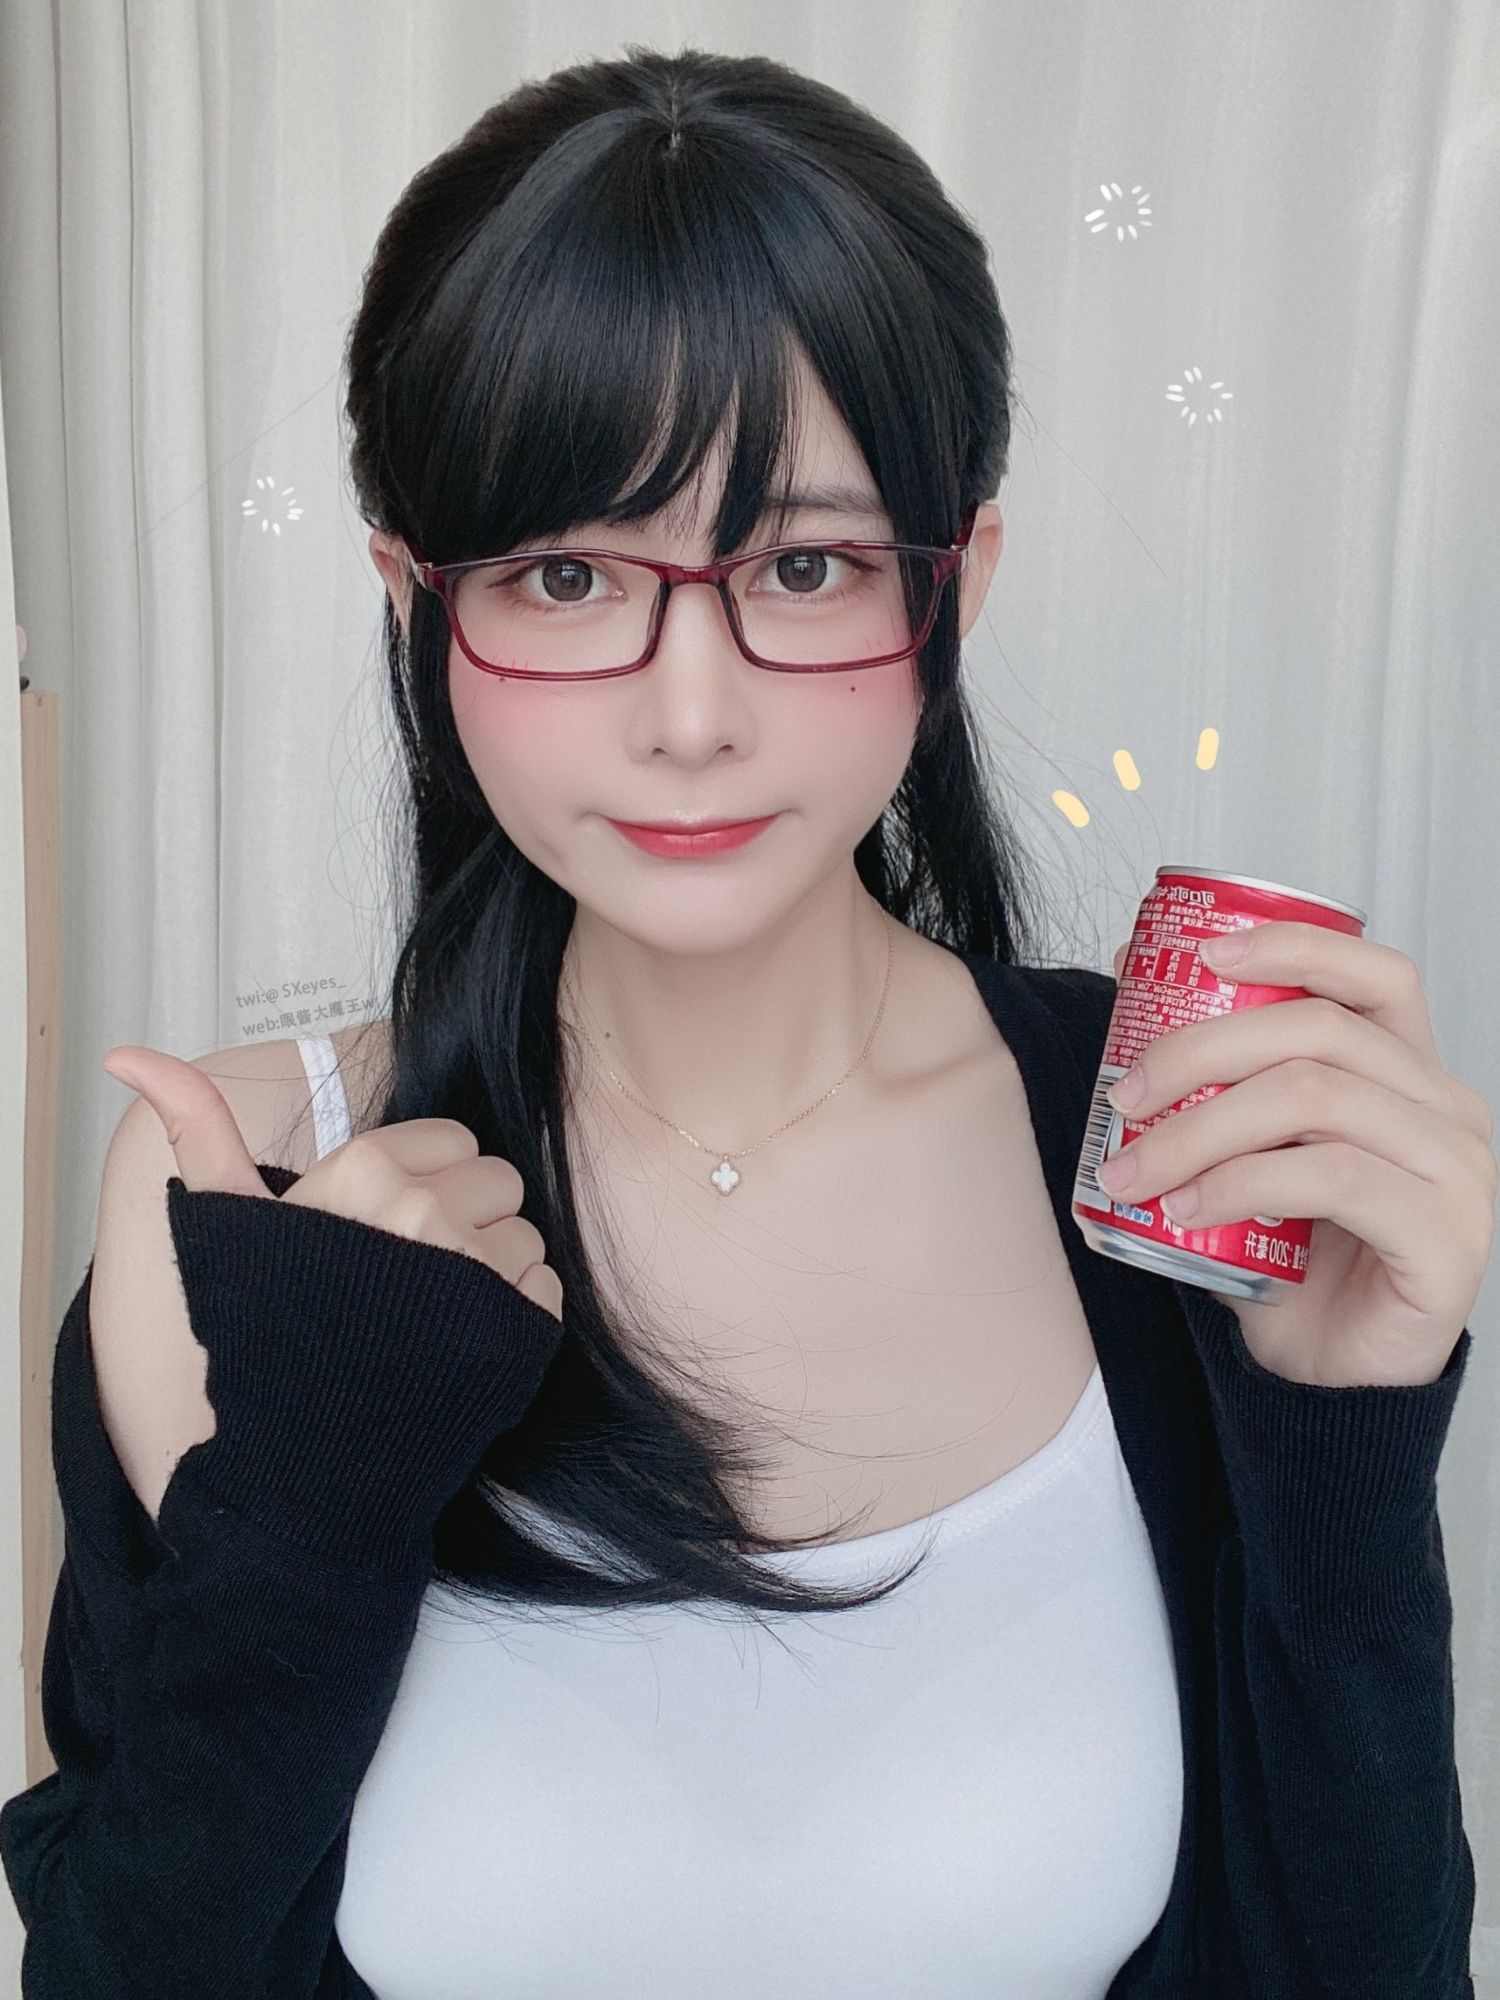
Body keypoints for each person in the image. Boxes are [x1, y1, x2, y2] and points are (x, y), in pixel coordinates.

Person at [1, 44, 1478, 1998]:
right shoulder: (252, 1183)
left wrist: (1340, 1441)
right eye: (565, 573)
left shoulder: (1169, 1146)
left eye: (804, 565)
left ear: (955, 589)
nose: (691, 715)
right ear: (416, 604)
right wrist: (313, 1479)